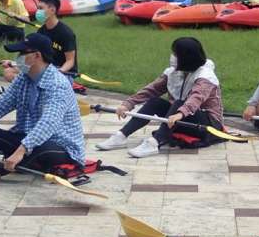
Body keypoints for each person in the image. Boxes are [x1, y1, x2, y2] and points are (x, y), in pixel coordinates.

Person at [0, 33, 85, 190]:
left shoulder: (57, 84)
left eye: (22, 53)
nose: (18, 58)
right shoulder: (23, 78)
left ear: (36, 56)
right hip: (26, 138)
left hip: (59, 146)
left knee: (40, 148)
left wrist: (20, 151)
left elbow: (48, 123)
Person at [96, 37, 224, 158]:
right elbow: (152, 89)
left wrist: (181, 113)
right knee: (155, 102)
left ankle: (154, 143)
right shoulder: (173, 72)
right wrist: (128, 104)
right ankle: (121, 136)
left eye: (175, 53)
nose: (172, 56)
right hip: (180, 118)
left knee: (179, 103)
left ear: (186, 57)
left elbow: (197, 98)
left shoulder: (205, 76)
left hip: (207, 126)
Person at [0, 0, 78, 95]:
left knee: (34, 78)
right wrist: (15, 63)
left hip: (64, 73)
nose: (38, 12)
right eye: (38, 8)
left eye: (41, 8)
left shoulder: (66, 33)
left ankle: (16, 90)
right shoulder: (41, 31)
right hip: (44, 67)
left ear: (52, 10)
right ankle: (22, 88)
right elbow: (34, 56)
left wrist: (57, 73)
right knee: (8, 72)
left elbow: (70, 61)